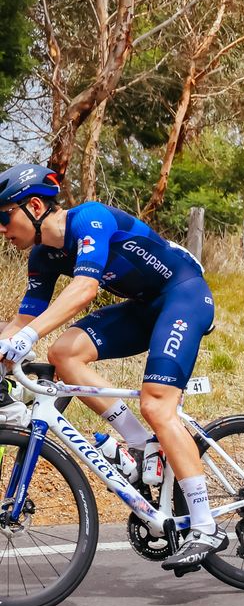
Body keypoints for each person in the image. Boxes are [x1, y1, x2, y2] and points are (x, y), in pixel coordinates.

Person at [0, 163, 225, 570]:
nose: (1, 227)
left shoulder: (91, 218)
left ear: (34, 206)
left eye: (4, 216)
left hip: (183, 296)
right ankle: (140, 446)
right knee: (64, 353)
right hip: (143, 308)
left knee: (158, 405)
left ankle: (206, 525)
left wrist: (28, 338)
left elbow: (85, 288)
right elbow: (20, 321)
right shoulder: (42, 257)